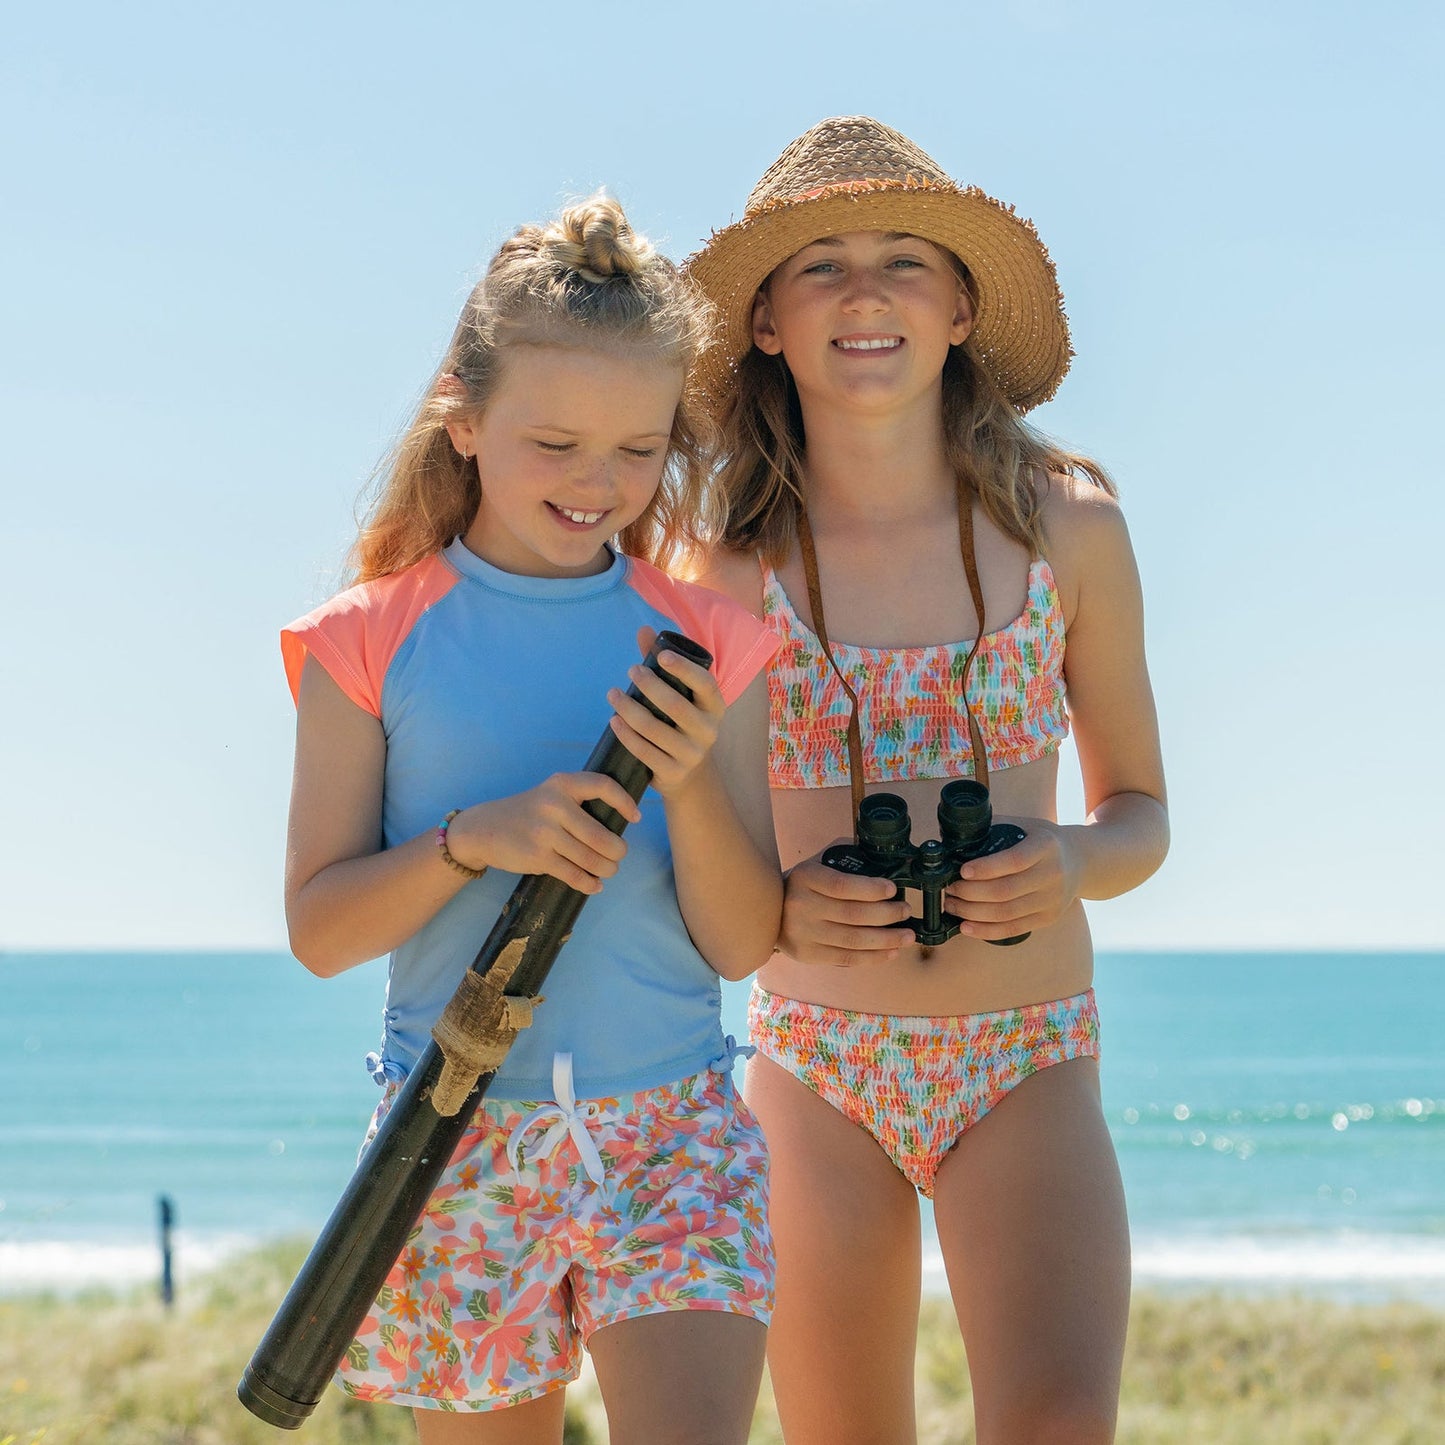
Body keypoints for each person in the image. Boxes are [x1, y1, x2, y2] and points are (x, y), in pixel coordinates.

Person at [689, 117, 1169, 1444]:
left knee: (1060, 1423)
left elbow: (1142, 816)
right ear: (767, 325)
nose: (865, 291)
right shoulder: (724, 573)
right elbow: (708, 881)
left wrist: (1066, 858)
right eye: (819, 264)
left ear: (959, 309)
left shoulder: (1065, 527)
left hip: (1025, 1055)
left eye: (904, 258)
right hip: (813, 1061)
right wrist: (782, 909)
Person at [278, 195, 781, 1443]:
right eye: (553, 442)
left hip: (673, 1133)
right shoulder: (365, 636)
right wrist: (472, 839)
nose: (596, 483)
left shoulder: (710, 639)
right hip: (451, 1133)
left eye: (635, 449)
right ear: (464, 416)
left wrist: (686, 779)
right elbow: (321, 930)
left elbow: (742, 939)